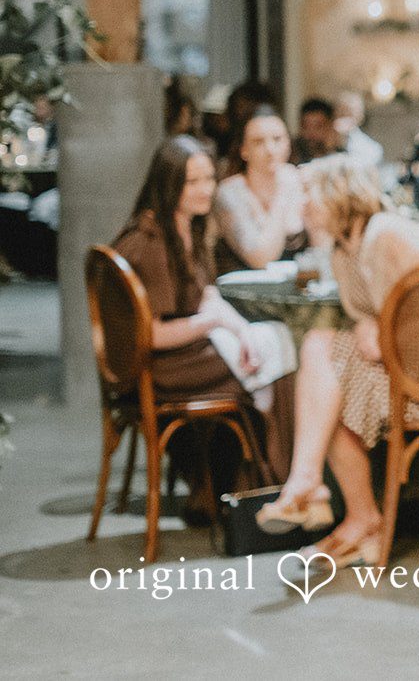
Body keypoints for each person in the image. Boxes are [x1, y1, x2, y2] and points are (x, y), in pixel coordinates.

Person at [256, 155, 419, 568]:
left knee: (320, 352)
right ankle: (343, 509)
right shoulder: (345, 250)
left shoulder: (385, 234)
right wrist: (370, 325)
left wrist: (380, 329)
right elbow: (377, 317)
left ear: (337, 193)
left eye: (308, 193)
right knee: (325, 382)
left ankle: (324, 496)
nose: (302, 204)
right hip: (406, 366)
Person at [111, 137, 295, 500]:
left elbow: (207, 296)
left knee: (272, 344)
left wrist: (240, 330)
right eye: (192, 182)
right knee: (281, 364)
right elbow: (152, 335)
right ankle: (271, 487)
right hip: (154, 366)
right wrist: (214, 324)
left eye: (209, 178)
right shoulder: (151, 240)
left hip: (180, 354)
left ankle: (253, 486)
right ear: (168, 184)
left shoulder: (186, 227)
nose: (206, 189)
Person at [211, 107, 308, 275]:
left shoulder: (301, 181)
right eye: (258, 142)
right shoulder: (230, 192)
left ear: (288, 143)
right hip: (242, 289)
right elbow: (260, 258)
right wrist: (283, 191)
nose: (270, 149)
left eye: (277, 139)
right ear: (244, 150)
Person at [334, 91, 384, 168]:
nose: (345, 116)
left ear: (361, 117)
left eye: (350, 113)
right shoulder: (324, 140)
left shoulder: (372, 148)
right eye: (342, 112)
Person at [292, 97, 338, 163]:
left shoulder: (342, 157)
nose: (311, 133)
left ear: (330, 126)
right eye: (305, 127)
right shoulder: (292, 156)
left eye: (318, 127)